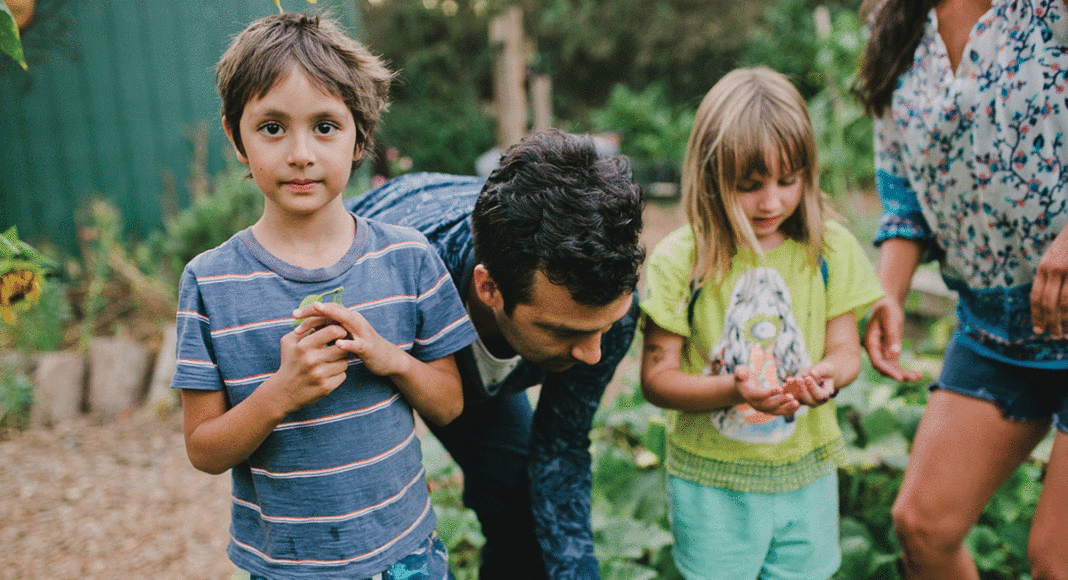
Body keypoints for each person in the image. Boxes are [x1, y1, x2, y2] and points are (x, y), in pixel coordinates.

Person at [171, 13, 478, 580]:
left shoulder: (407, 257)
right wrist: (279, 395)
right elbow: (204, 450)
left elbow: (450, 404)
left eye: (325, 127)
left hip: (406, 556)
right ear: (235, 135)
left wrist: (391, 360)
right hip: (287, 568)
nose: (301, 153)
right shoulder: (210, 282)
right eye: (272, 128)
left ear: (361, 134)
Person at [347, 129, 645, 580]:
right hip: (375, 347)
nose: (592, 354)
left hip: (478, 367)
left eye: (603, 328)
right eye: (563, 332)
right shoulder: (393, 277)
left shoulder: (605, 310)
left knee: (523, 507)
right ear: (489, 288)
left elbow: (560, 452)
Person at [638, 67, 884, 580]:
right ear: (710, 175)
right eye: (749, 186)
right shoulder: (679, 260)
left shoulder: (829, 249)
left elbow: (845, 351)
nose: (771, 202)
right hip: (713, 487)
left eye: (787, 181)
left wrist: (826, 377)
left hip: (805, 477)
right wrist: (735, 389)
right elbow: (657, 380)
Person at [853, 0, 1068, 578]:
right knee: (923, 526)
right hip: (992, 327)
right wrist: (888, 295)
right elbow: (903, 195)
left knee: (1057, 559)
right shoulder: (894, 29)